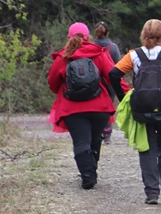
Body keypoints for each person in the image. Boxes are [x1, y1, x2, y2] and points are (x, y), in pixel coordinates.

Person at [109, 20, 161, 204]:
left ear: (144, 34)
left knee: (147, 146)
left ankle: (152, 192)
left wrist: (126, 96)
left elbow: (113, 74)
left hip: (142, 106)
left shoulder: (134, 55)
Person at [47, 23, 117, 190]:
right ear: (88, 36)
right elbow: (113, 76)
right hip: (100, 107)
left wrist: (64, 90)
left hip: (72, 108)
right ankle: (91, 170)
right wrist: (127, 94)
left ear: (68, 36)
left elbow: (52, 82)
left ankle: (88, 176)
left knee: (81, 142)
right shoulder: (98, 53)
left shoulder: (63, 57)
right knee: (94, 140)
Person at [92, 22, 122, 144]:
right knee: (108, 107)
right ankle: (107, 133)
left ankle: (96, 132)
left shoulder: (91, 46)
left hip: (94, 81)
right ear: (107, 32)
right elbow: (119, 65)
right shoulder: (113, 47)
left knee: (95, 106)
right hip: (110, 82)